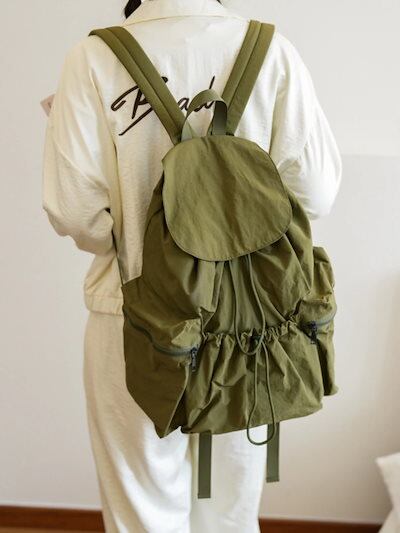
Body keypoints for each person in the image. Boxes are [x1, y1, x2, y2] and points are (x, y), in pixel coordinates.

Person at [42, 0, 342, 531]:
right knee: (229, 510)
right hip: (251, 326)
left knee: (145, 510)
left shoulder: (93, 58)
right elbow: (314, 193)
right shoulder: (271, 51)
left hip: (132, 311)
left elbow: (74, 211)